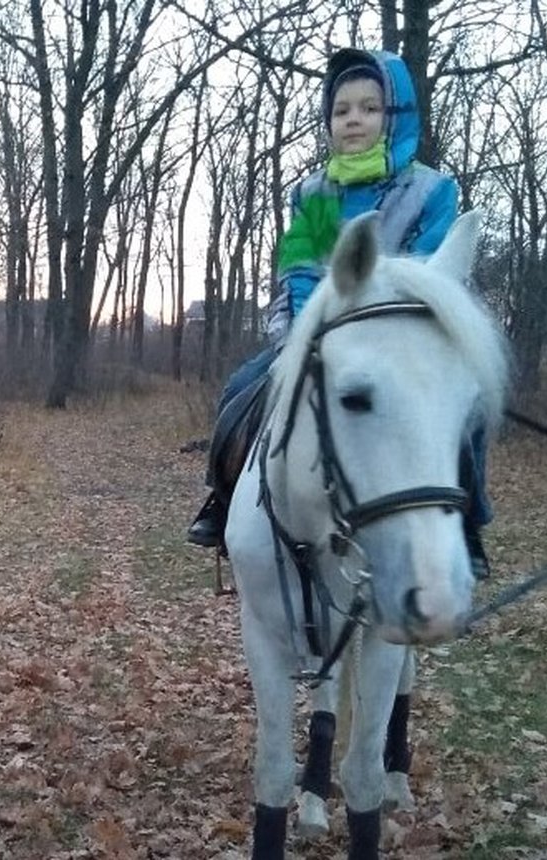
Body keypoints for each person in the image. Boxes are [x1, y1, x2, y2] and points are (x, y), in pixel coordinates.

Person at [185, 47, 493, 577]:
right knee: (241, 387)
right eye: (341, 109)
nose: (353, 119)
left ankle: (467, 522)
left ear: (395, 116)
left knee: (471, 413)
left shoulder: (431, 189)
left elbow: (428, 269)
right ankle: (223, 497)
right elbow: (301, 268)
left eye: (369, 108)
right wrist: (304, 334)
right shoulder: (315, 192)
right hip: (317, 328)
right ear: (328, 121)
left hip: (402, 337)